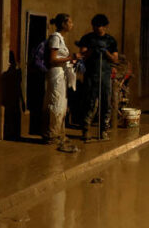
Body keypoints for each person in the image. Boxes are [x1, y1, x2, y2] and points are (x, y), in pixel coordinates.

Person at [78, 14, 119, 141]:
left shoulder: (111, 41)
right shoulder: (87, 38)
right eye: (94, 26)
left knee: (106, 103)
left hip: (105, 75)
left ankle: (103, 131)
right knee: (90, 102)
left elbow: (115, 59)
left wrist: (105, 51)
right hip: (91, 75)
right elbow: (82, 55)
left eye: (99, 26)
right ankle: (86, 130)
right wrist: (92, 49)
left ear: (105, 26)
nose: (96, 28)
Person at [43, 13, 80, 150]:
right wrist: (71, 58)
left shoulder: (61, 39)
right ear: (63, 24)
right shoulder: (55, 38)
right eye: (70, 22)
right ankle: (51, 135)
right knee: (55, 103)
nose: (72, 24)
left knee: (61, 104)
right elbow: (52, 60)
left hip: (61, 74)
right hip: (56, 74)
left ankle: (58, 133)